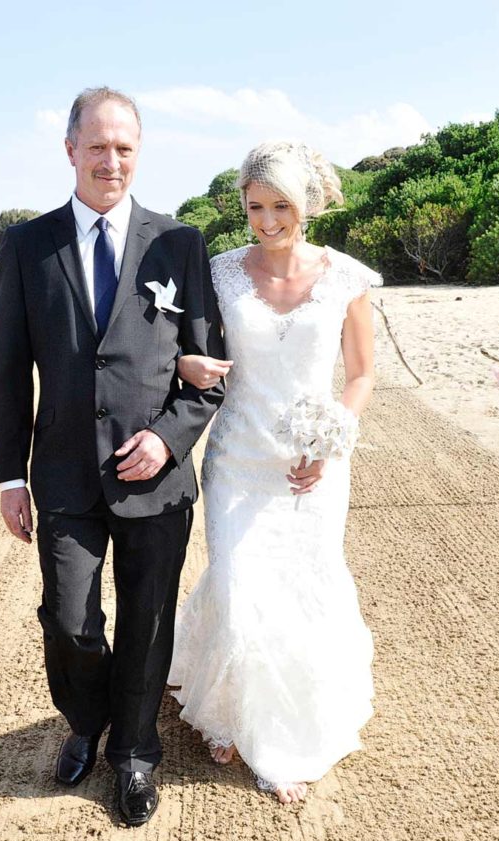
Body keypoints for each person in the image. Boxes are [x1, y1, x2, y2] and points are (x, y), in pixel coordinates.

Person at [0, 87, 225, 827]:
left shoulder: (178, 243)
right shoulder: (27, 247)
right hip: (63, 474)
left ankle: (135, 751)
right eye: (97, 146)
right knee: (70, 621)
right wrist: (9, 476)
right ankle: (86, 721)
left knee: (148, 620)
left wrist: (167, 437)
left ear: (139, 151)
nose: (110, 161)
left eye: (124, 147)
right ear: (70, 150)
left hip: (155, 476)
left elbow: (210, 372)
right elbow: (9, 369)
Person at [169, 142, 379, 804]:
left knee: (301, 592)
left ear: (307, 203)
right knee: (238, 590)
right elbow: (181, 346)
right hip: (237, 461)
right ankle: (231, 711)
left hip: (313, 470)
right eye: (255, 207)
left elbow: (362, 375)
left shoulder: (347, 279)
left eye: (280, 206)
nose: (266, 222)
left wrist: (331, 438)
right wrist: (183, 364)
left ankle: (284, 735)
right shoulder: (220, 273)